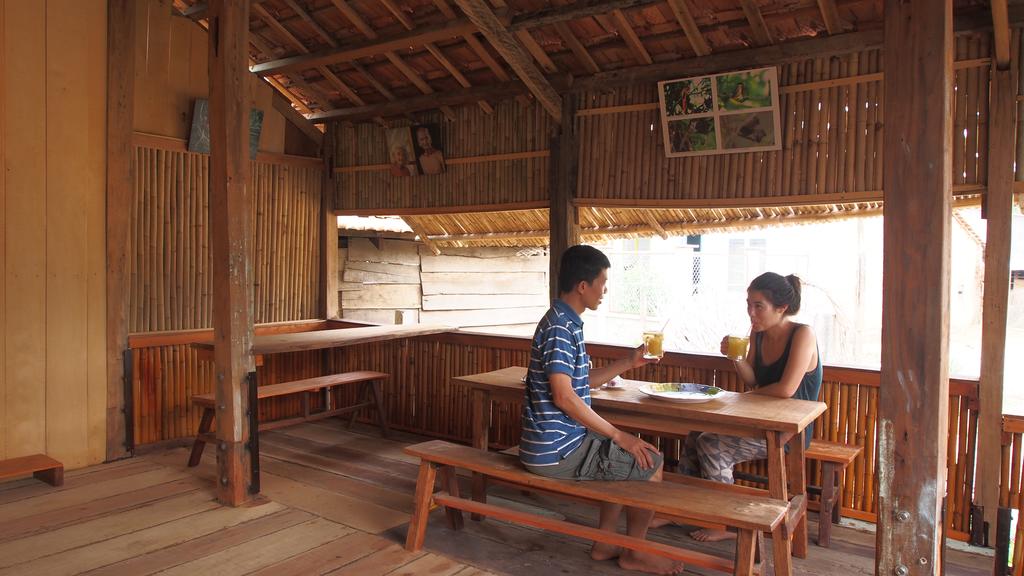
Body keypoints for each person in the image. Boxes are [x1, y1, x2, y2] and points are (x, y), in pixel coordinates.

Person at [520, 245, 683, 575]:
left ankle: (605, 542)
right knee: (651, 463)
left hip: (554, 445)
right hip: (556, 452)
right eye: (603, 282)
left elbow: (581, 381)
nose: (605, 291)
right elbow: (564, 397)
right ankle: (635, 553)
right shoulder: (560, 329)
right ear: (584, 285)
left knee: (618, 452)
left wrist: (628, 361)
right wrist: (620, 435)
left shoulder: (565, 322)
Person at [682, 272, 822, 542]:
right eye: (748, 304)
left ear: (781, 309)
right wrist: (735, 357)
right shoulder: (758, 335)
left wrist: (744, 398)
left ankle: (726, 523)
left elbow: (786, 389)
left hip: (790, 433)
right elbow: (753, 380)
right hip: (759, 422)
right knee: (695, 434)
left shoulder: (803, 334)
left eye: (758, 306)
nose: (751, 312)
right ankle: (686, 512)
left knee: (712, 444)